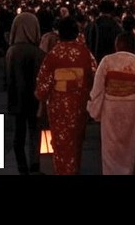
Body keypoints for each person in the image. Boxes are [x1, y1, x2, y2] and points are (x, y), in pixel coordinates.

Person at [87, 31, 135, 175]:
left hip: (110, 106)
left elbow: (98, 88)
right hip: (131, 107)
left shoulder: (107, 61)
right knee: (128, 145)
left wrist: (94, 108)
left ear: (116, 45)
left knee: (110, 146)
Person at [35, 17, 96, 175]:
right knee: (76, 143)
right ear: (76, 33)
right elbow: (94, 77)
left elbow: (43, 85)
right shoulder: (84, 53)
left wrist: (42, 96)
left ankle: (63, 171)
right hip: (79, 104)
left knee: (61, 144)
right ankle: (74, 170)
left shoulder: (53, 54)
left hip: (58, 106)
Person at [6, 11, 44, 175]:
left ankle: (22, 167)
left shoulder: (11, 52)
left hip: (16, 99)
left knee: (18, 135)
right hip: (35, 99)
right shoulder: (38, 53)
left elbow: (8, 78)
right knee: (35, 133)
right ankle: (35, 165)